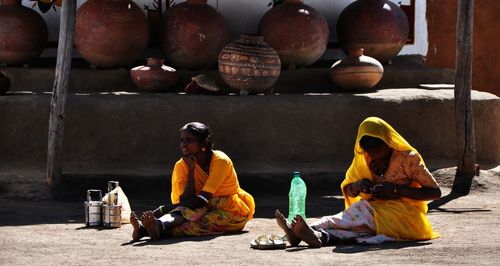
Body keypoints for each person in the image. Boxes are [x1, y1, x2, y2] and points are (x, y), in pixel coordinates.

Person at [276, 116, 441, 247]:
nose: (375, 157)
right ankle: (319, 236)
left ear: (388, 142)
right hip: (373, 211)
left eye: (380, 151)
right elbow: (348, 188)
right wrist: (357, 186)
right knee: (356, 231)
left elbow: (435, 192)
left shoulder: (408, 158)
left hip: (404, 217)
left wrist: (396, 190)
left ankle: (307, 229)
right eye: (370, 153)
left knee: (353, 217)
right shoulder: (364, 157)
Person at [131, 122, 255, 241]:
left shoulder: (220, 161)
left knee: (195, 224)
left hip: (230, 209)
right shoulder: (182, 165)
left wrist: (163, 209)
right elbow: (185, 202)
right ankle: (157, 225)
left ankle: (145, 231)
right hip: (199, 207)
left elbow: (203, 199)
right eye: (182, 140)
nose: (183, 145)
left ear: (204, 142)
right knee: (186, 211)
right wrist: (191, 171)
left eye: (189, 140)